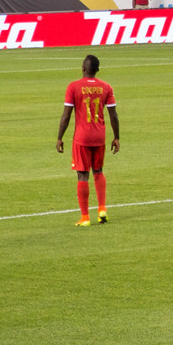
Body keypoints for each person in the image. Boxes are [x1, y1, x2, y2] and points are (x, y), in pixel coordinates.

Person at [56, 55, 119, 226]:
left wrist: (60, 137)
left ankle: (85, 217)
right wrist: (116, 137)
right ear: (97, 70)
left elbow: (66, 115)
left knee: (83, 175)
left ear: (83, 68)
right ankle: (102, 209)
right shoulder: (106, 87)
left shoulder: (73, 87)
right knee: (98, 171)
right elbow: (113, 114)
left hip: (82, 138)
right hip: (100, 136)